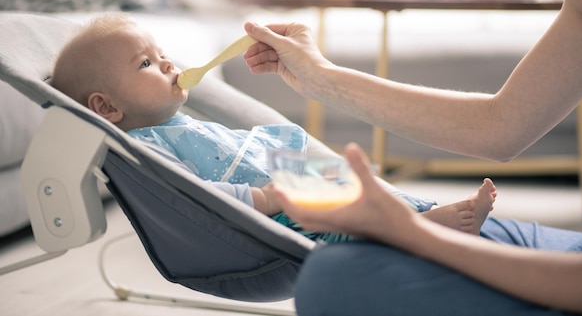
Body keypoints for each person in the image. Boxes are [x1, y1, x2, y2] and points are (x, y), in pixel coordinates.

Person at [241, 0, 582, 315]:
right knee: (413, 229)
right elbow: (500, 126)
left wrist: (412, 235)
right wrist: (321, 77)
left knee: (336, 279)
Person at [50, 13, 497, 243]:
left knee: (357, 186)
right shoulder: (145, 150)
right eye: (145, 63)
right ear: (106, 107)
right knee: (342, 218)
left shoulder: (171, 122)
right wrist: (267, 198)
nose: (167, 62)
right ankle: (420, 229)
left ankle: (417, 212)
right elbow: (195, 196)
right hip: (275, 210)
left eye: (161, 51)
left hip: (286, 175)